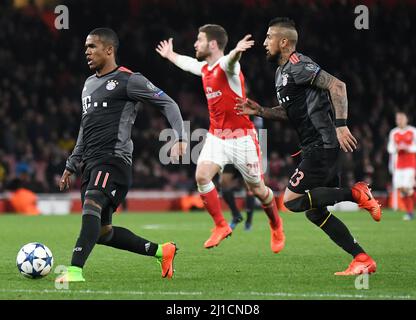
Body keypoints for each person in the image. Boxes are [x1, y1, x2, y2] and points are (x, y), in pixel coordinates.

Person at [235, 17, 381, 275]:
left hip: (321, 144)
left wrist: (341, 124)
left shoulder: (299, 64)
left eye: (269, 37)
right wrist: (261, 111)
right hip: (314, 145)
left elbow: (337, 85)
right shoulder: (281, 73)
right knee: (315, 213)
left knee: (290, 201)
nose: (265, 43)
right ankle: (362, 258)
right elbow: (289, 112)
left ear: (284, 42)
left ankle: (356, 194)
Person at [55, 28, 187, 283]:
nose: (87, 52)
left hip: (113, 161)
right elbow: (85, 126)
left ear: (109, 49)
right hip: (91, 164)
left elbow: (168, 103)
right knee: (103, 232)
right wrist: (72, 164)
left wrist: (180, 137)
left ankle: (74, 271)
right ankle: (162, 251)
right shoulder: (88, 84)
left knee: (92, 204)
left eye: (92, 46)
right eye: (85, 47)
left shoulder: (130, 80)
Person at [156, 24, 284, 253]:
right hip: (217, 137)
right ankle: (220, 225)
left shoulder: (228, 69)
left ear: (212, 44)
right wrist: (170, 55)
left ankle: (276, 224)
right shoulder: (205, 69)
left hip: (243, 138)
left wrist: (236, 51)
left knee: (258, 189)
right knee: (202, 176)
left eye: (199, 39)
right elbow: (188, 64)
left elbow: (230, 62)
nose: (195, 43)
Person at [387, 111, 416, 220]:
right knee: (401, 189)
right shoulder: (394, 132)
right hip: (398, 165)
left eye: (402, 119)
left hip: (410, 164)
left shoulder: (413, 131)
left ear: (406, 119)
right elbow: (390, 147)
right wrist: (396, 149)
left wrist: (410, 149)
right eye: (398, 119)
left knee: (407, 187)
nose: (400, 121)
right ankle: (410, 213)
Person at [220, 164, 255, 230]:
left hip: (246, 158)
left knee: (249, 188)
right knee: (224, 184)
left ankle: (248, 222)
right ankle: (236, 215)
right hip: (231, 159)